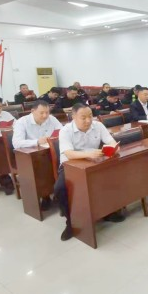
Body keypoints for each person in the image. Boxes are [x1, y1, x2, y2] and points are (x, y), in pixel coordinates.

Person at [54, 103, 124, 241]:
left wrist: (114, 147)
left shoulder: (98, 125)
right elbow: (68, 153)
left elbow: (111, 141)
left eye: (90, 116)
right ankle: (70, 222)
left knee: (112, 178)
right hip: (70, 165)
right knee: (60, 188)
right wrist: (88, 154)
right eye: (83, 117)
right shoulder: (65, 130)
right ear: (73, 117)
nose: (88, 120)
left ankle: (108, 212)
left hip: (93, 163)